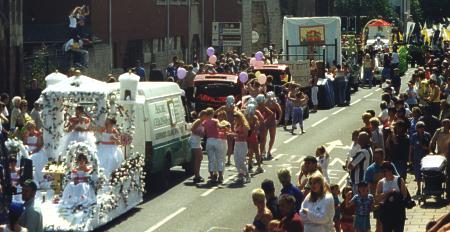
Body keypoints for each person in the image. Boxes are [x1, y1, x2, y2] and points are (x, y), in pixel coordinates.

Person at [376, 161, 407, 232]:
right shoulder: (381, 183)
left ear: (390, 170)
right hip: (386, 212)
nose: (383, 173)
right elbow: (377, 198)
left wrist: (396, 196)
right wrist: (388, 193)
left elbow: (404, 196)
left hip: (398, 211)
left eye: (385, 171)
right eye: (382, 171)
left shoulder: (399, 180)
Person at [203, 108, 228, 183]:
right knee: (219, 159)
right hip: (217, 140)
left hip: (209, 140)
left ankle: (212, 176)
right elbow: (220, 126)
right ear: (212, 113)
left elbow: (204, 132)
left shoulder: (204, 122)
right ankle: (220, 176)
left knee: (211, 160)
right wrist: (226, 125)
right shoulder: (215, 121)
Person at [409, 121, 431, 195]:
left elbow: (431, 147)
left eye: (422, 128)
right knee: (417, 174)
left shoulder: (427, 135)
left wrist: (427, 148)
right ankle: (418, 189)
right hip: (416, 158)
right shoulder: (414, 136)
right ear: (417, 128)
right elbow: (411, 147)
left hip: (426, 158)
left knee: (426, 174)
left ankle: (427, 188)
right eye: (419, 128)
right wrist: (409, 158)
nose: (421, 129)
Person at [230, 111, 250, 183]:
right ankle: (240, 174)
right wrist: (230, 133)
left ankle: (247, 174)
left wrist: (235, 135)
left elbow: (245, 136)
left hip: (242, 144)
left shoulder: (245, 125)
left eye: (237, 119)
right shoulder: (237, 125)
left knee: (241, 160)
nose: (235, 120)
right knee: (236, 160)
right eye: (235, 119)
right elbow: (235, 134)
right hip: (237, 143)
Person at [246, 104, 263, 174]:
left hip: (247, 135)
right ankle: (259, 167)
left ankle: (249, 164)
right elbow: (257, 126)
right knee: (256, 151)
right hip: (253, 135)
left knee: (250, 150)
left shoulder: (246, 117)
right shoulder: (254, 117)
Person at [190, 110, 206, 183]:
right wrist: (200, 134)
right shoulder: (198, 120)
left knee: (199, 158)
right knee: (198, 157)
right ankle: (196, 175)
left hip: (198, 140)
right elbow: (192, 129)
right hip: (194, 140)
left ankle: (197, 175)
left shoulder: (203, 122)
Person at [265, 92, 282, 159]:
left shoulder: (275, 103)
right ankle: (265, 151)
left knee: (271, 137)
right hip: (267, 121)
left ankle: (268, 151)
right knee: (265, 137)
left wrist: (278, 120)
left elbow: (280, 112)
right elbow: (280, 112)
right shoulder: (265, 103)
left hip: (271, 122)